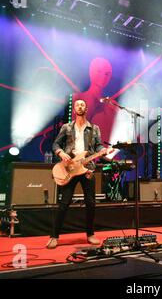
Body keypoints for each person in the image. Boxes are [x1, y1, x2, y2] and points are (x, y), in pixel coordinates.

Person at [46, 99, 108, 249]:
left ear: (86, 109)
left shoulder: (94, 128)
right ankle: (54, 236)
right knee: (64, 203)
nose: (80, 106)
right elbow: (55, 144)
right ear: (74, 110)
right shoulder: (67, 127)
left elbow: (98, 144)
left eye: (82, 105)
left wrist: (102, 149)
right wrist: (61, 153)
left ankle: (90, 234)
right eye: (77, 105)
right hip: (70, 168)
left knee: (91, 202)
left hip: (88, 167)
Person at [73, 57, 116, 144]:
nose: (103, 77)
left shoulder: (112, 104)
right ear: (90, 71)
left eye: (107, 74)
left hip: (104, 152)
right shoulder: (77, 99)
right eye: (99, 71)